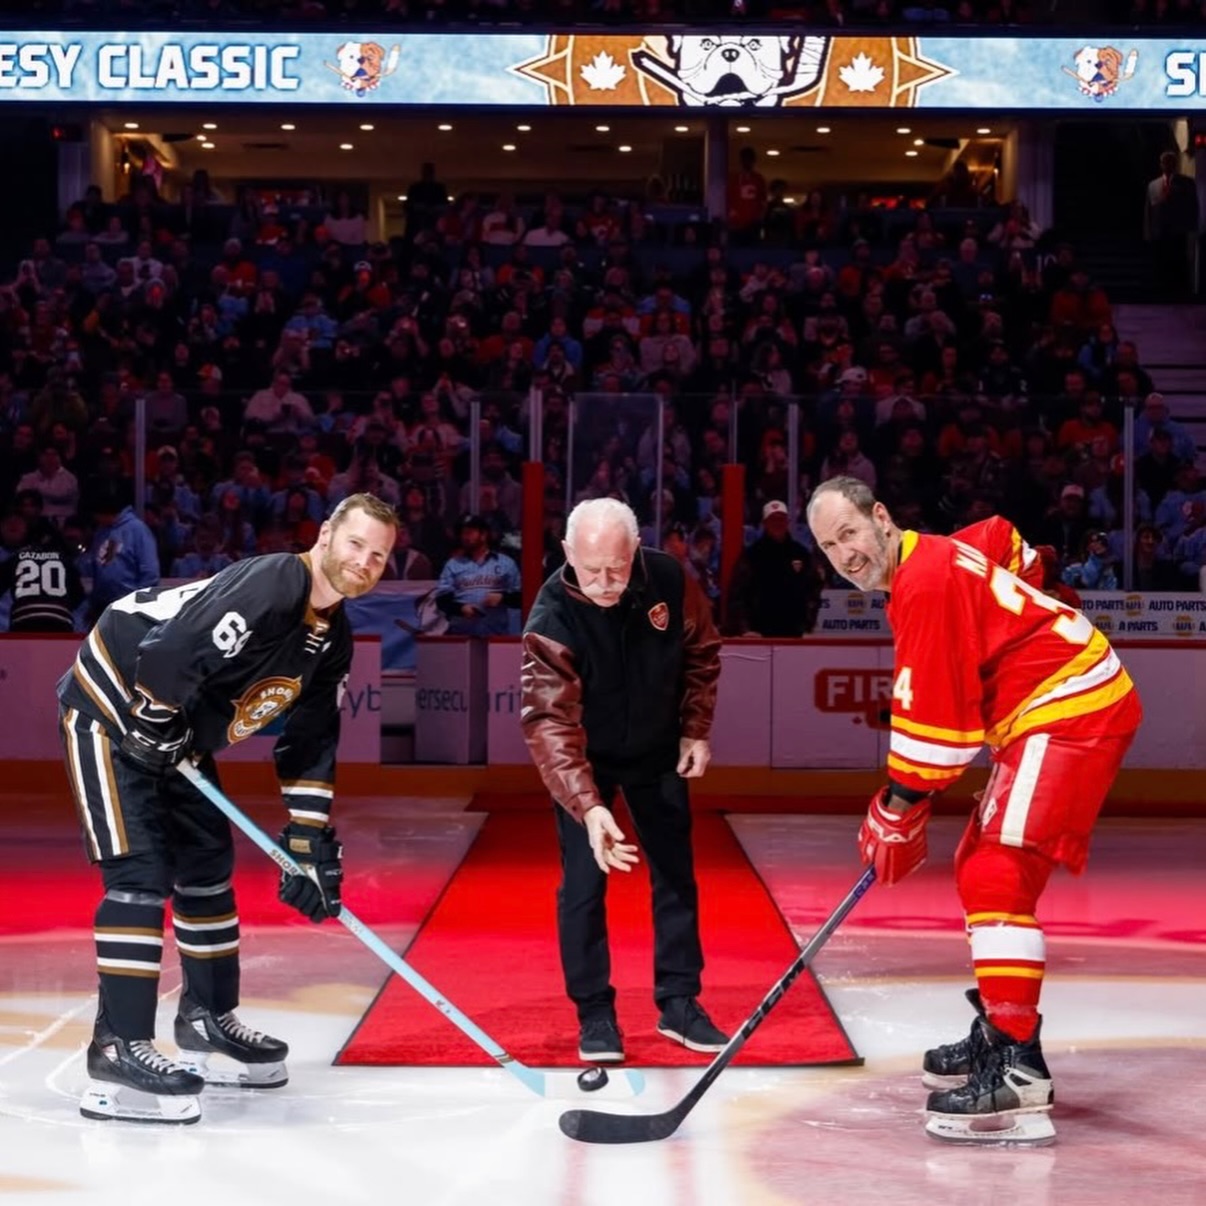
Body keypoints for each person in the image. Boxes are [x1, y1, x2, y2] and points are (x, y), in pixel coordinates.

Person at [806, 477, 1142, 1142]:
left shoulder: (922, 585)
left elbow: (939, 734)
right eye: (828, 547)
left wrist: (896, 806)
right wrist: (1035, 590)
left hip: (1071, 711)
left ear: (880, 517)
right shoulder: (931, 556)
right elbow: (1004, 540)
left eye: (849, 533)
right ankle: (1000, 1026)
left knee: (996, 873)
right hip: (1054, 709)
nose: (844, 554)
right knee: (979, 866)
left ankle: (1018, 1067)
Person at [55, 493, 398, 1125]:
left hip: (173, 731)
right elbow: (169, 649)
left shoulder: (332, 638)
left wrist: (308, 840)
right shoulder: (276, 582)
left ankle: (206, 1017)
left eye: (378, 555)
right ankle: (116, 1046)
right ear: (325, 536)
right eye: (356, 544)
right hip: (110, 710)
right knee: (139, 875)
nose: (365, 561)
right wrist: (154, 714)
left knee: (207, 870)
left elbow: (310, 740)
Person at [519, 498, 728, 1064]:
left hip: (659, 750)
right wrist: (588, 807)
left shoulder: (665, 577)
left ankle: (679, 1002)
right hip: (586, 761)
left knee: (676, 876)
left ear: (635, 551)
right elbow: (548, 722)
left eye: (616, 568)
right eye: (592, 571)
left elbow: (701, 650)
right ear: (567, 555)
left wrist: (694, 729)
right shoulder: (551, 618)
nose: (607, 583)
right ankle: (595, 1013)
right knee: (584, 886)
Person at [723, 500, 823, 637]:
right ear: (764, 523)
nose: (777, 524)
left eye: (781, 519)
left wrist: (808, 625)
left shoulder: (801, 554)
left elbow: (814, 590)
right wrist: (745, 629)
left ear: (787, 522)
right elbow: (737, 593)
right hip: (759, 635)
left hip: (794, 634)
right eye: (772, 520)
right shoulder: (752, 555)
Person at [434, 514, 521, 636]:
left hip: (496, 636)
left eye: (469, 533)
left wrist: (502, 598)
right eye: (463, 533)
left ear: (483, 535)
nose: (465, 537)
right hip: (461, 635)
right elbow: (442, 600)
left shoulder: (506, 563)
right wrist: (461, 609)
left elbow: (521, 597)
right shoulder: (453, 564)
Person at [0, 517, 86, 632]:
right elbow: (78, 594)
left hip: (23, 619)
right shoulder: (64, 560)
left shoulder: (16, 558)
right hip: (60, 619)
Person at [1144, 150, 1200, 300]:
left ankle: (1177, 292)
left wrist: (1191, 227)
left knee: (1178, 262)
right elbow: (1149, 210)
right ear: (1161, 164)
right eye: (1165, 162)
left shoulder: (1186, 183)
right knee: (1160, 263)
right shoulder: (1153, 185)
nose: (1167, 165)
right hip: (1159, 232)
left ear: (1175, 164)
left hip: (1178, 232)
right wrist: (1148, 232)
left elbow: (1192, 207)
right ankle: (1160, 291)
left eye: (1171, 162)